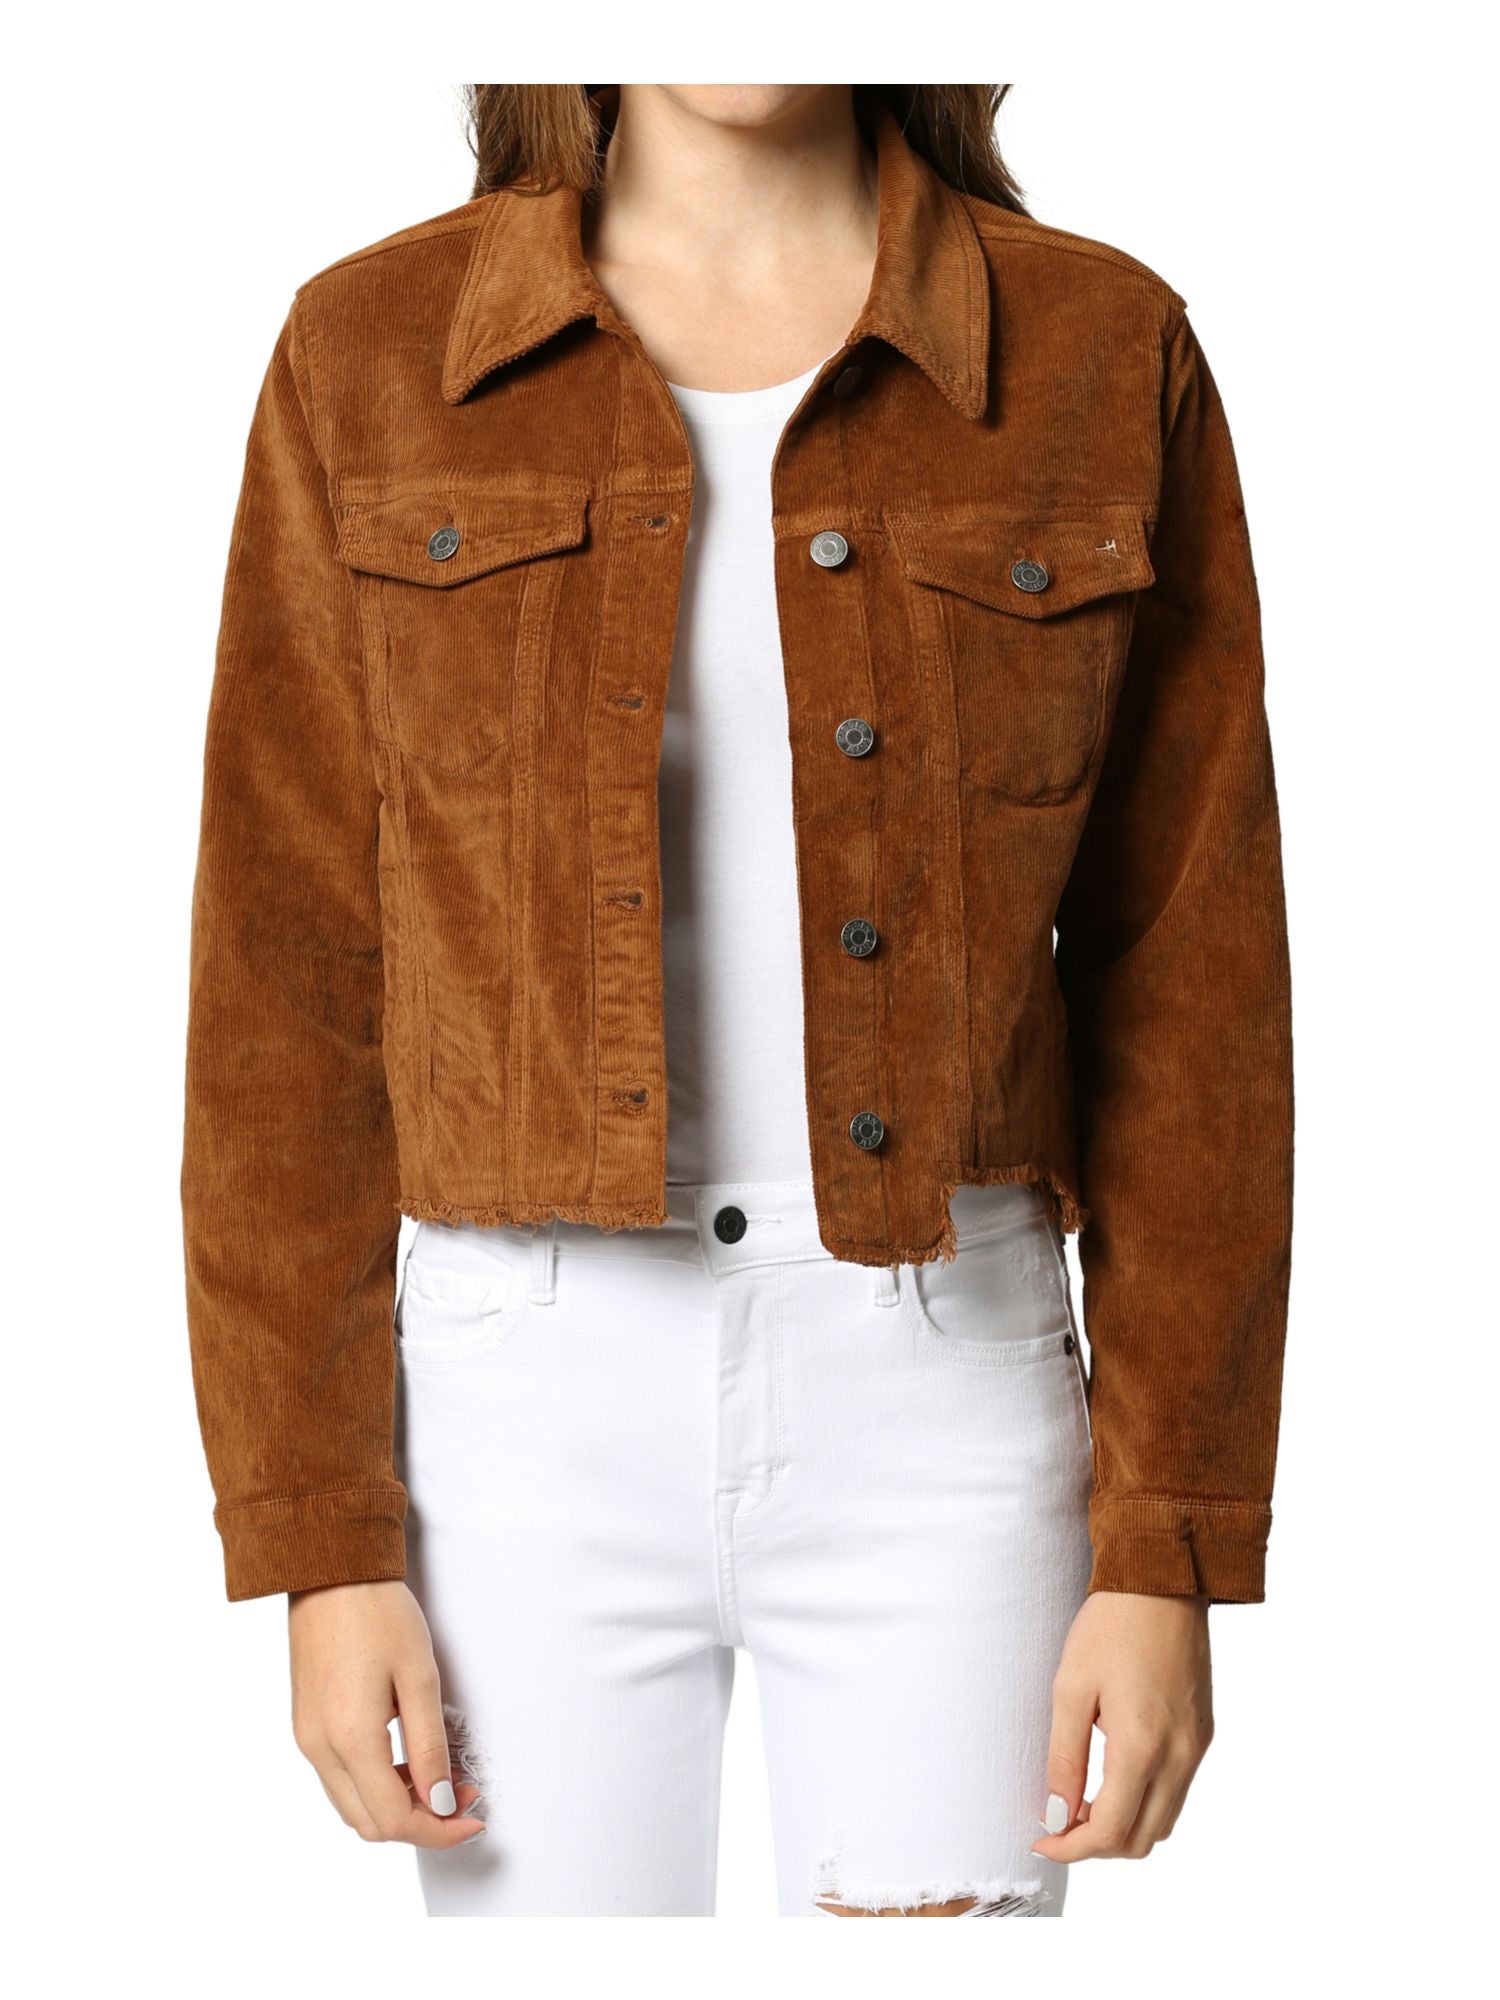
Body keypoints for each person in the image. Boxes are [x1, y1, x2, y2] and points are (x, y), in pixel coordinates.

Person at [181, 83, 1293, 1918]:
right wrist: (318, 1534)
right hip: (516, 1408)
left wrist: (1167, 1541)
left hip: (947, 1392)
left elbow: (1194, 986)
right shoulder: (368, 351)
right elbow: (282, 980)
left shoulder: (1103, 353)